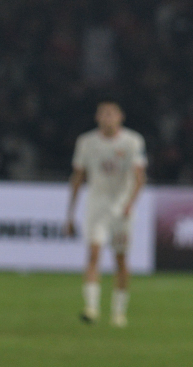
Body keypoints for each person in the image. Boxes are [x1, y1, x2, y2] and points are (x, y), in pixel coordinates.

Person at [66, 100, 147, 327]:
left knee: (120, 259)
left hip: (121, 208)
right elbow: (78, 177)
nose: (107, 118)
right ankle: (91, 308)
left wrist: (131, 203)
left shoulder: (132, 141)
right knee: (93, 254)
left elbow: (140, 177)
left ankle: (119, 312)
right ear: (97, 118)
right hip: (96, 205)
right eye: (103, 114)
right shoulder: (87, 142)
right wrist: (70, 214)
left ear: (121, 117)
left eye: (111, 114)